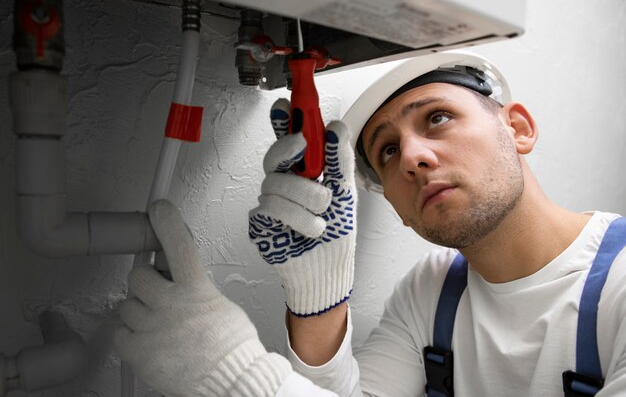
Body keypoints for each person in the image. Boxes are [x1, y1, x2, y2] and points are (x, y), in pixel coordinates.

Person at [114, 51, 626, 397]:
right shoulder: (432, 291)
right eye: (387, 150)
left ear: (517, 129)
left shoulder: (618, 284)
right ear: (399, 210)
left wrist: (236, 375)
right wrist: (319, 297)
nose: (413, 157)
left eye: (437, 118)